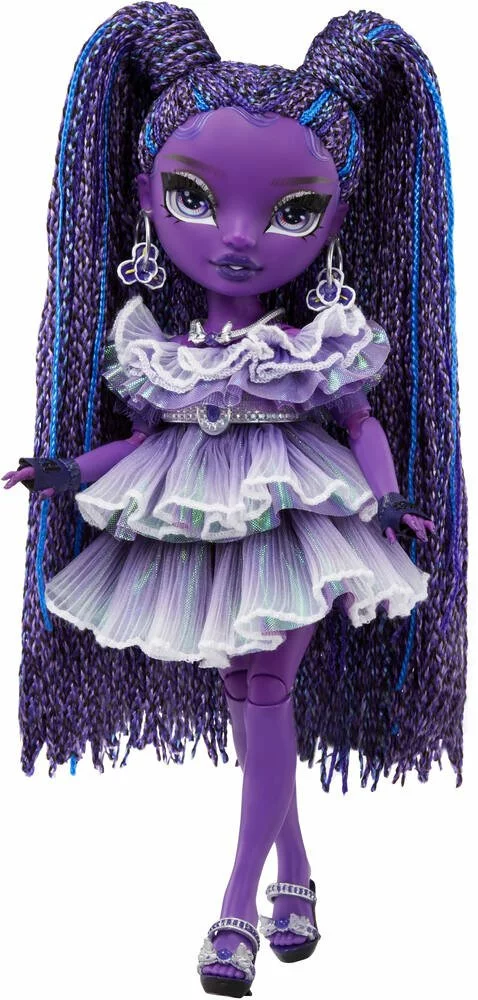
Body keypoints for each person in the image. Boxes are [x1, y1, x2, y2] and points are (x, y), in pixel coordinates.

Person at [2, 5, 466, 996]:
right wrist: (70, 473)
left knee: (264, 695)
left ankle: (234, 908)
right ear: (145, 197)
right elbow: (142, 444)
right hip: (199, 534)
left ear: (339, 216)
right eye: (194, 198)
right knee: (249, 699)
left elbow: (358, 421)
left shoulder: (317, 344)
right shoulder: (154, 347)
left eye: (293, 211)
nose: (242, 237)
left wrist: (388, 501)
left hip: (298, 528)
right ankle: (296, 874)